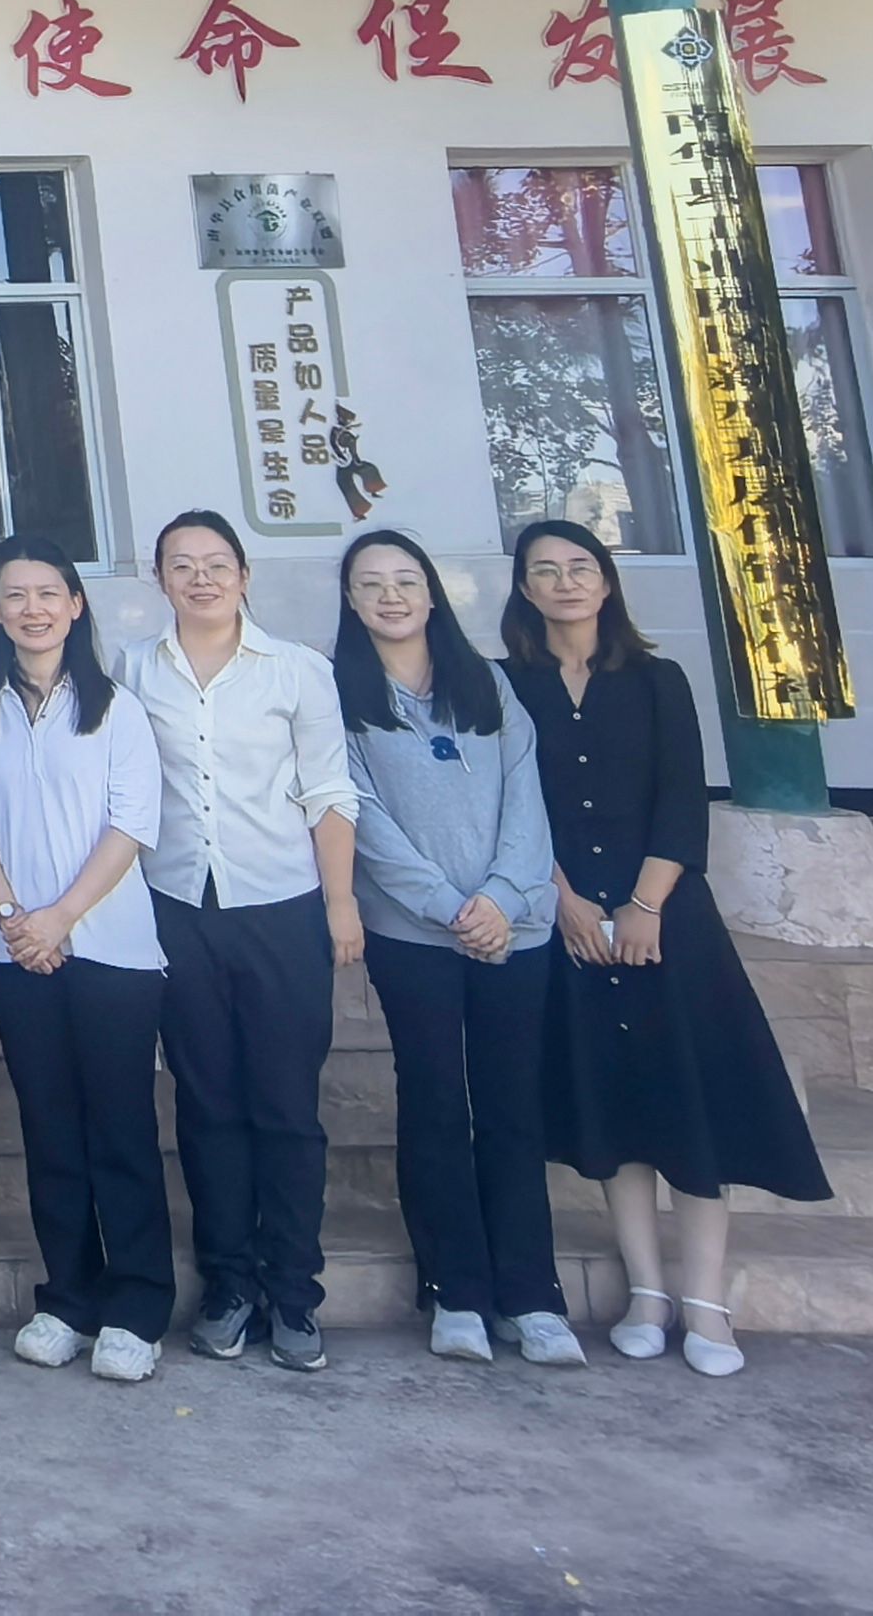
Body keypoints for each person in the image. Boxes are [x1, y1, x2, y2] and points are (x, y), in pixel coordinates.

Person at [504, 518, 831, 1380]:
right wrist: (565, 900)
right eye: (546, 570)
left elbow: (684, 799)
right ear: (525, 588)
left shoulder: (657, 680)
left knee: (687, 1101)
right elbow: (510, 806)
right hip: (566, 919)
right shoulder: (509, 687)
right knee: (612, 1109)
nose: (565, 582)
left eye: (580, 566)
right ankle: (646, 1292)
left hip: (668, 920)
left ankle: (706, 1301)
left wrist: (645, 904)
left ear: (606, 581)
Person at [330, 529, 585, 1368]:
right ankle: (456, 1290)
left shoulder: (489, 685)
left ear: (432, 592)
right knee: (437, 1103)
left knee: (512, 1106)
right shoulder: (340, 695)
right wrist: (448, 907)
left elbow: (527, 799)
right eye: (372, 584)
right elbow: (362, 817)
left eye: (406, 580)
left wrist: (504, 899)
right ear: (351, 601)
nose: (391, 597)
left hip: (517, 930)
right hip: (415, 935)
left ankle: (532, 1295)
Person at [129, 507, 363, 1371]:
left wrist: (340, 902)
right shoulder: (133, 671)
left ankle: (295, 1293)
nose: (201, 578)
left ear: (244, 575)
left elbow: (329, 791)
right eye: (182, 564)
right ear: (160, 578)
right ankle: (228, 1286)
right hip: (178, 909)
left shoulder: (297, 671)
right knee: (207, 1104)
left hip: (282, 908)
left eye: (216, 563)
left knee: (287, 1108)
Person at [0, 535, 173, 1386]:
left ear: (76, 605)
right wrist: (14, 919)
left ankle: (137, 1308)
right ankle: (69, 1300)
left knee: (121, 1131)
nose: (32, 608)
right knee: (50, 1132)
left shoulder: (117, 709)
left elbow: (131, 825)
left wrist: (61, 918)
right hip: (18, 958)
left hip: (114, 952)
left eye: (48, 593)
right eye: (15, 594)